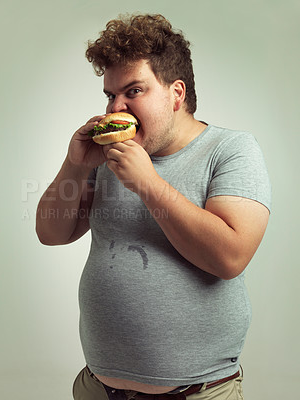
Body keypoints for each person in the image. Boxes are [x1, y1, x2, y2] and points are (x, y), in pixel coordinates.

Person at [36, 13, 271, 400]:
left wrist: (148, 184)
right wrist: (75, 164)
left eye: (134, 91)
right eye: (111, 95)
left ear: (177, 92)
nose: (116, 109)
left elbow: (230, 257)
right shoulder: (110, 155)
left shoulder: (231, 150)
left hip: (197, 392)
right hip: (98, 387)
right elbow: (51, 233)